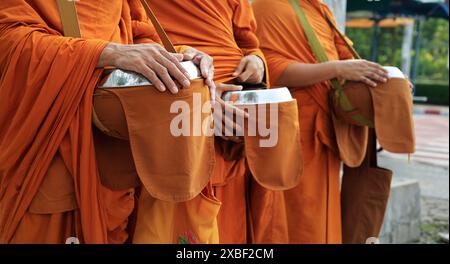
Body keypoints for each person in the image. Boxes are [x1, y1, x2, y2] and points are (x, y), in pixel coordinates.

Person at [0, 0, 214, 244]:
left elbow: (136, 35)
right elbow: (8, 41)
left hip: (118, 156)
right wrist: (107, 53)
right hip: (51, 148)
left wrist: (179, 59)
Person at [252, 0, 389, 243]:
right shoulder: (267, 6)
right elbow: (270, 70)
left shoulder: (320, 9)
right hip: (292, 133)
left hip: (328, 131)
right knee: (295, 220)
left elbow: (349, 61)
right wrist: (335, 69)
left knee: (323, 217)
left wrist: (389, 81)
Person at [148, 0, 268, 243]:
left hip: (235, 116)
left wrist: (257, 63)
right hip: (179, 107)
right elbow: (134, 38)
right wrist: (200, 101)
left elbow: (248, 42)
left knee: (230, 228)